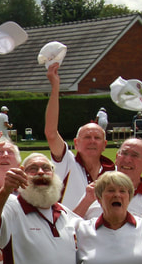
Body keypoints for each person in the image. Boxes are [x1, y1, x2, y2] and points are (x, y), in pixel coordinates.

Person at [45, 62, 114, 210]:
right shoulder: (67, 162)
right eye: (87, 137)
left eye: (97, 138)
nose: (92, 141)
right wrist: (55, 87)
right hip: (70, 231)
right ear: (76, 143)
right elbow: (51, 133)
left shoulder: (112, 171)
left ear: (104, 145)